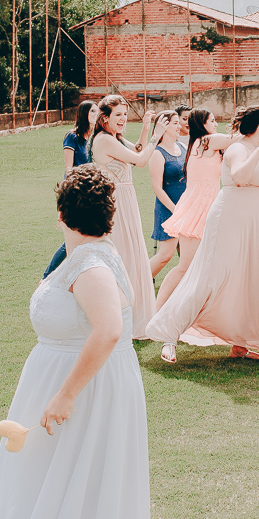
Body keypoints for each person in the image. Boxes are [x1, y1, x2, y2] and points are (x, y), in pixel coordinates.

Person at [0, 165, 154, 519]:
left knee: (77, 487)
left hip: (83, 393)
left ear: (60, 214)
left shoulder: (91, 264)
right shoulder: (82, 256)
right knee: (53, 487)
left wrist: (65, 394)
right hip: (75, 383)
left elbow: (110, 329)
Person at [145, 106, 259, 365]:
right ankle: (170, 336)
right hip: (229, 220)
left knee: (249, 281)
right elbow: (238, 177)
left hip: (256, 226)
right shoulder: (238, 149)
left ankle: (241, 344)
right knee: (209, 278)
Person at [91, 95, 168, 338]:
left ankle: (135, 315)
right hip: (115, 205)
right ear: (105, 118)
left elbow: (135, 150)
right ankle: (119, 317)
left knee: (133, 256)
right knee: (123, 257)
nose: (123, 119)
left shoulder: (115, 138)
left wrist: (145, 128)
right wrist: (157, 134)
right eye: (118, 115)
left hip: (127, 201)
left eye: (125, 114)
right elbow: (141, 160)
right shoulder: (104, 140)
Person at [154, 108, 236, 309]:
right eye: (213, 120)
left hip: (210, 207)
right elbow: (237, 138)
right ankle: (157, 309)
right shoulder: (205, 141)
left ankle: (204, 308)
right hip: (198, 208)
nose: (216, 124)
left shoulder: (203, 144)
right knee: (185, 266)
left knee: (211, 264)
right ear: (203, 123)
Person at [44, 101, 99, 278]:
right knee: (74, 237)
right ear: (84, 114)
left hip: (94, 191)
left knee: (90, 235)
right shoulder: (73, 137)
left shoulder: (96, 137)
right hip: (77, 191)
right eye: (92, 111)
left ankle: (83, 272)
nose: (96, 115)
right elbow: (69, 169)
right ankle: (47, 275)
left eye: (97, 112)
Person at [148, 112, 187, 278]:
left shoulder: (183, 147)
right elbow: (157, 188)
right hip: (168, 210)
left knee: (189, 254)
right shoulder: (158, 153)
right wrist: (175, 210)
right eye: (175, 123)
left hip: (187, 208)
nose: (180, 126)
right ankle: (137, 285)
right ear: (164, 126)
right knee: (165, 255)